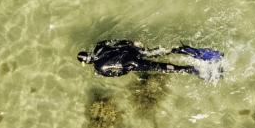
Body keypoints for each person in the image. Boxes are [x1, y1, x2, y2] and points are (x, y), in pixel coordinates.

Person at [77, 40, 223, 79]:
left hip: (133, 63)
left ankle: (192, 70)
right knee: (160, 52)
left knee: (160, 67)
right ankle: (187, 51)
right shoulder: (99, 46)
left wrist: (128, 68)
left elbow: (118, 73)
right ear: (89, 51)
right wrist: (133, 44)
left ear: (87, 62)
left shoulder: (99, 69)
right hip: (134, 51)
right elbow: (117, 42)